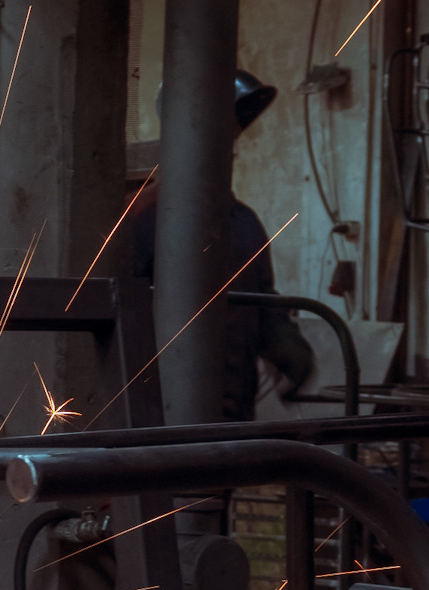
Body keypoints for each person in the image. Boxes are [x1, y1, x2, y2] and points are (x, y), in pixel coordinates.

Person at [132, 69, 316, 420]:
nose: (232, 149)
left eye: (232, 136)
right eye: (220, 135)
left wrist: (289, 351)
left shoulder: (244, 222)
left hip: (232, 414)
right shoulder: (142, 218)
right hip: (156, 420)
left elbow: (262, 302)